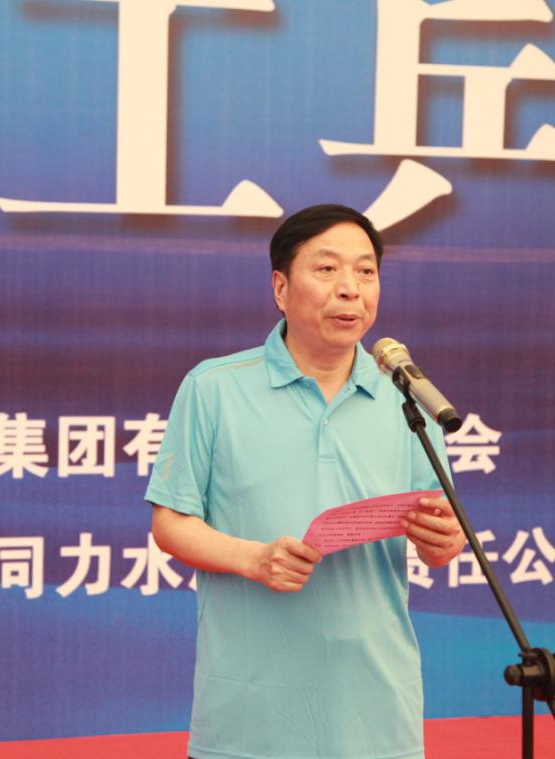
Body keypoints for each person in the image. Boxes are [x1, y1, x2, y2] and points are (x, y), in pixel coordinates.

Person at [145, 204, 467, 759]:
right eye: (327, 269)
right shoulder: (214, 388)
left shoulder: (407, 399)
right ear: (280, 287)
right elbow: (170, 523)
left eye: (366, 272)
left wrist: (445, 541)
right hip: (250, 716)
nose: (350, 289)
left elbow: (439, 535)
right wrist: (254, 559)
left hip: (376, 712)